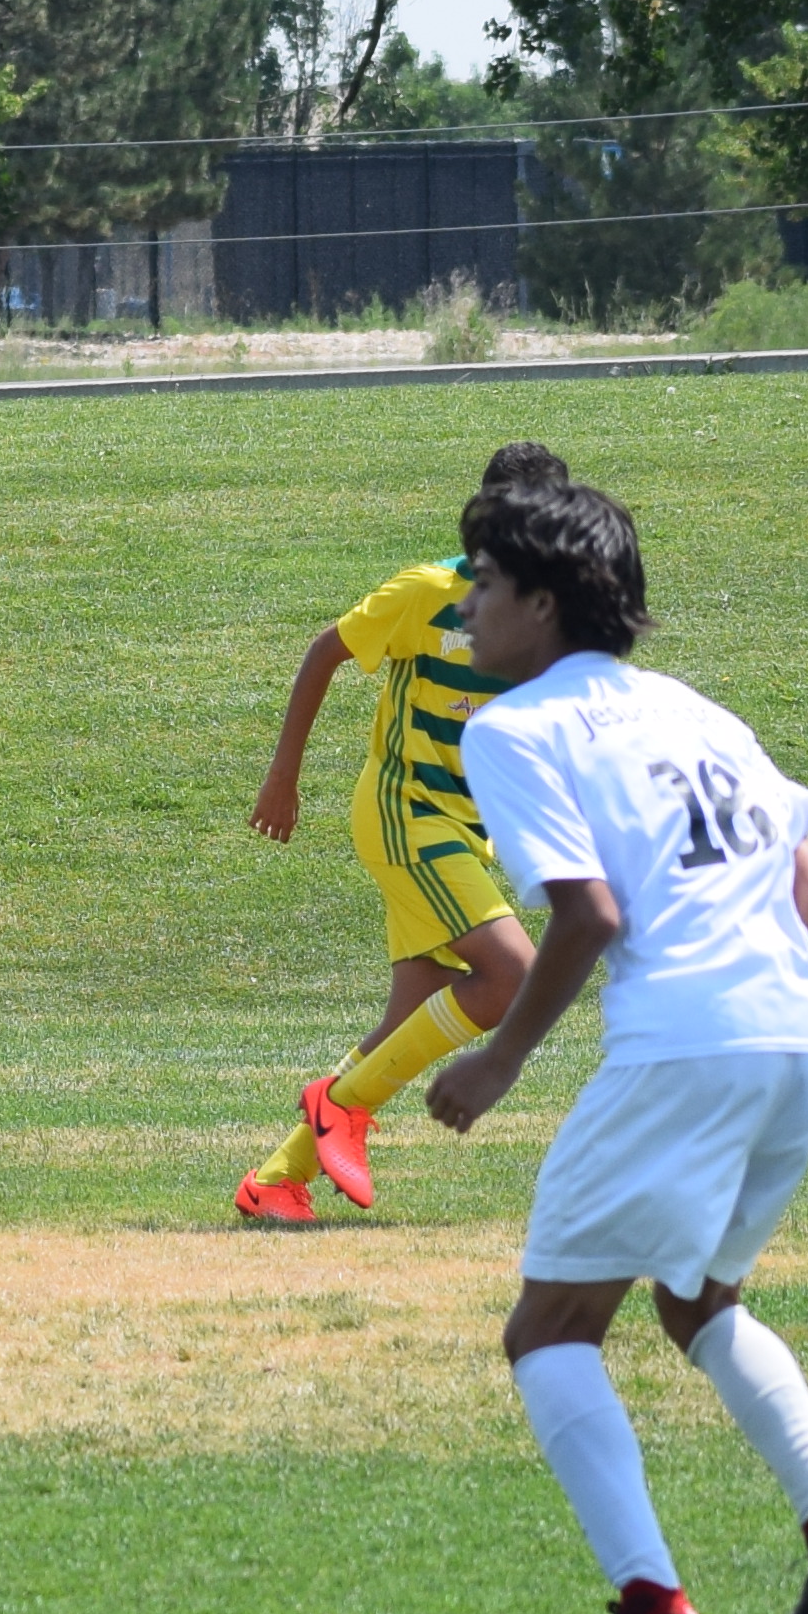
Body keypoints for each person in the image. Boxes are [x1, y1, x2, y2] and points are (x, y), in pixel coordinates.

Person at [422, 478, 808, 1614]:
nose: (465, 612)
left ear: (541, 603)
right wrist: (753, 1004)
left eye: (481, 585)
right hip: (802, 1030)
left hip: (686, 1040)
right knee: (696, 1300)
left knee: (549, 1328)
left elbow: (584, 915)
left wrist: (497, 1062)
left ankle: (653, 1611)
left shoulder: (514, 727)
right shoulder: (700, 711)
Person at [233, 441, 569, 1222]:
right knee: (510, 976)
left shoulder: (550, 615)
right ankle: (340, 1102)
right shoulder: (425, 593)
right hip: (404, 813)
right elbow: (325, 653)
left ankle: (278, 1180)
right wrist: (283, 777)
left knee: (403, 1025)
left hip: (464, 831)